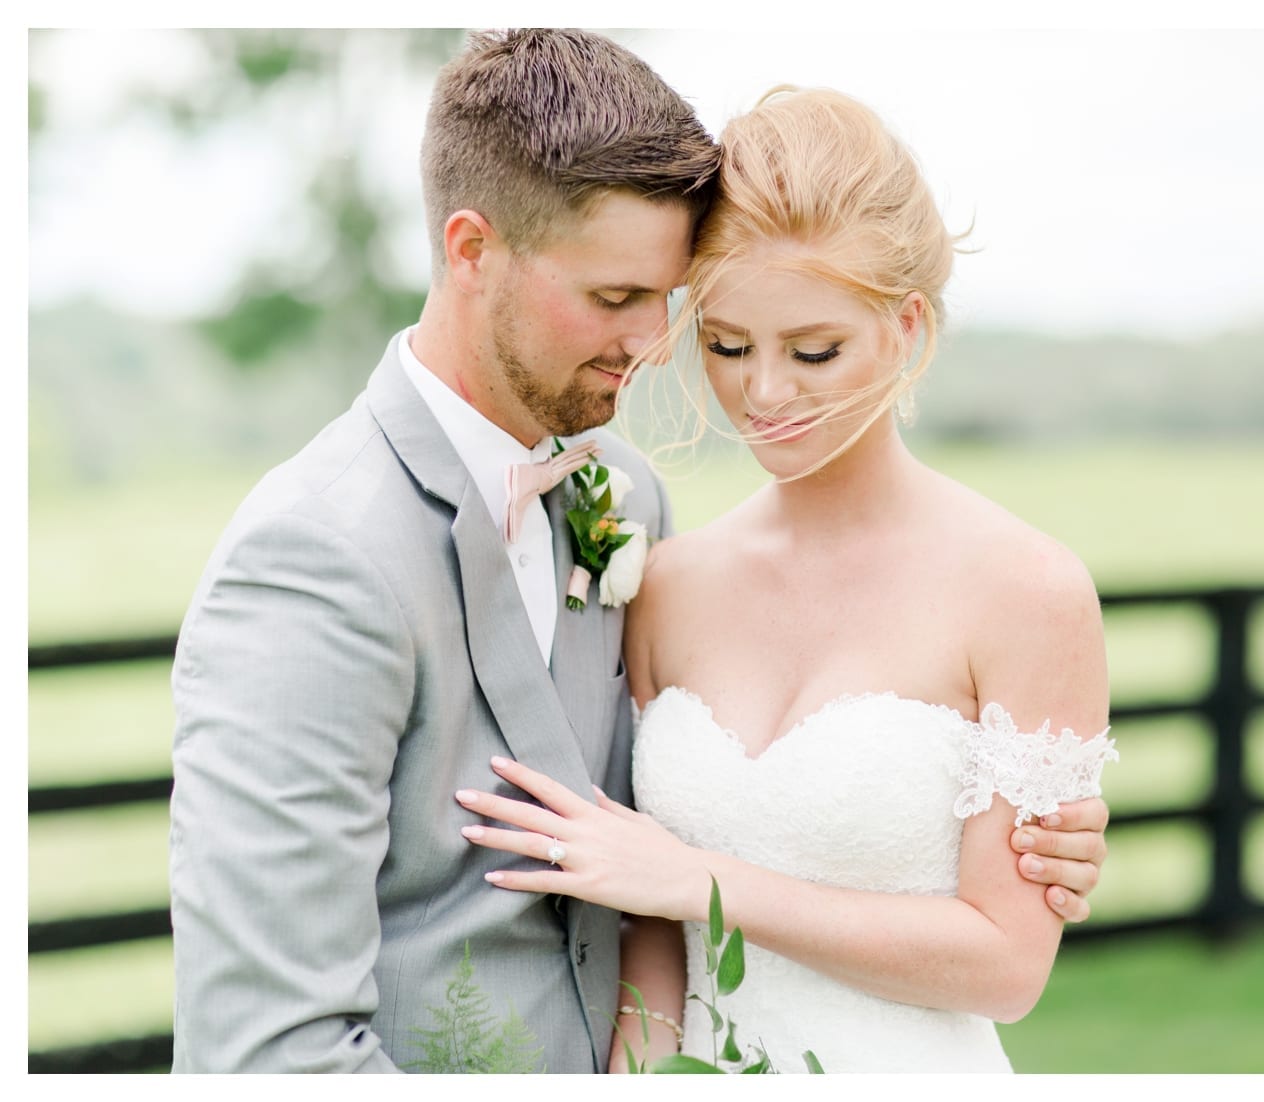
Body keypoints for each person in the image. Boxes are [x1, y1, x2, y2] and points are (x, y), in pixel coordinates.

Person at [170, 31, 1107, 1074]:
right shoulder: (319, 553)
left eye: (666, 302)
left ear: (908, 328)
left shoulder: (623, 500)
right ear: (472, 250)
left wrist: (1005, 835)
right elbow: (264, 1051)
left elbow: (668, 853)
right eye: (619, 300)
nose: (659, 344)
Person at [454, 85, 1116, 1074]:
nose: (764, 393)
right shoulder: (667, 584)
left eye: (814, 350)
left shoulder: (1025, 591)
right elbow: (651, 934)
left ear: (907, 328)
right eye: (726, 347)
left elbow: (1006, 965)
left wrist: (698, 880)